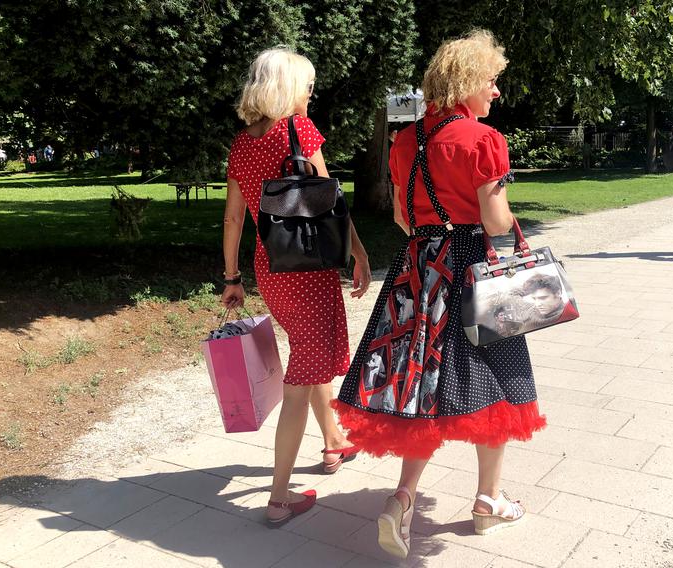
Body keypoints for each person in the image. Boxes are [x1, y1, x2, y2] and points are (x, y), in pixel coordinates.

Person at [333, 30, 545, 558]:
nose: (496, 93)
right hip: (473, 269)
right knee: (494, 380)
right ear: (468, 82)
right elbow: (495, 221)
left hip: (419, 274)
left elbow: (406, 218)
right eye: (492, 82)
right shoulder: (482, 140)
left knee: (421, 384)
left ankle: (402, 499)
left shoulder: (407, 141)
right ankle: (487, 501)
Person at [221, 47, 371, 524]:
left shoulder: (242, 144)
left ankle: (333, 444)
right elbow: (331, 201)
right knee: (302, 377)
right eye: (307, 84)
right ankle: (279, 498)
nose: (312, 92)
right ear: (287, 88)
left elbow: (232, 217)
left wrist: (231, 277)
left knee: (312, 355)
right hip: (309, 267)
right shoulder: (298, 130)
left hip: (272, 266)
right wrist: (359, 253)